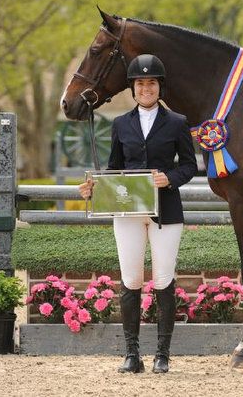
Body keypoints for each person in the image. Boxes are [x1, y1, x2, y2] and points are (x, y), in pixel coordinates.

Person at [79, 54, 197, 374]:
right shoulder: (120, 124)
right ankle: (132, 354)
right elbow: (115, 168)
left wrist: (170, 178)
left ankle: (162, 354)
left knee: (162, 279)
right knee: (131, 280)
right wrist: (95, 188)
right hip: (128, 211)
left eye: (152, 83)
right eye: (141, 83)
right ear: (133, 87)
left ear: (160, 87)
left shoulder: (177, 123)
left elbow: (189, 165)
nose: (146, 88)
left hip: (166, 211)